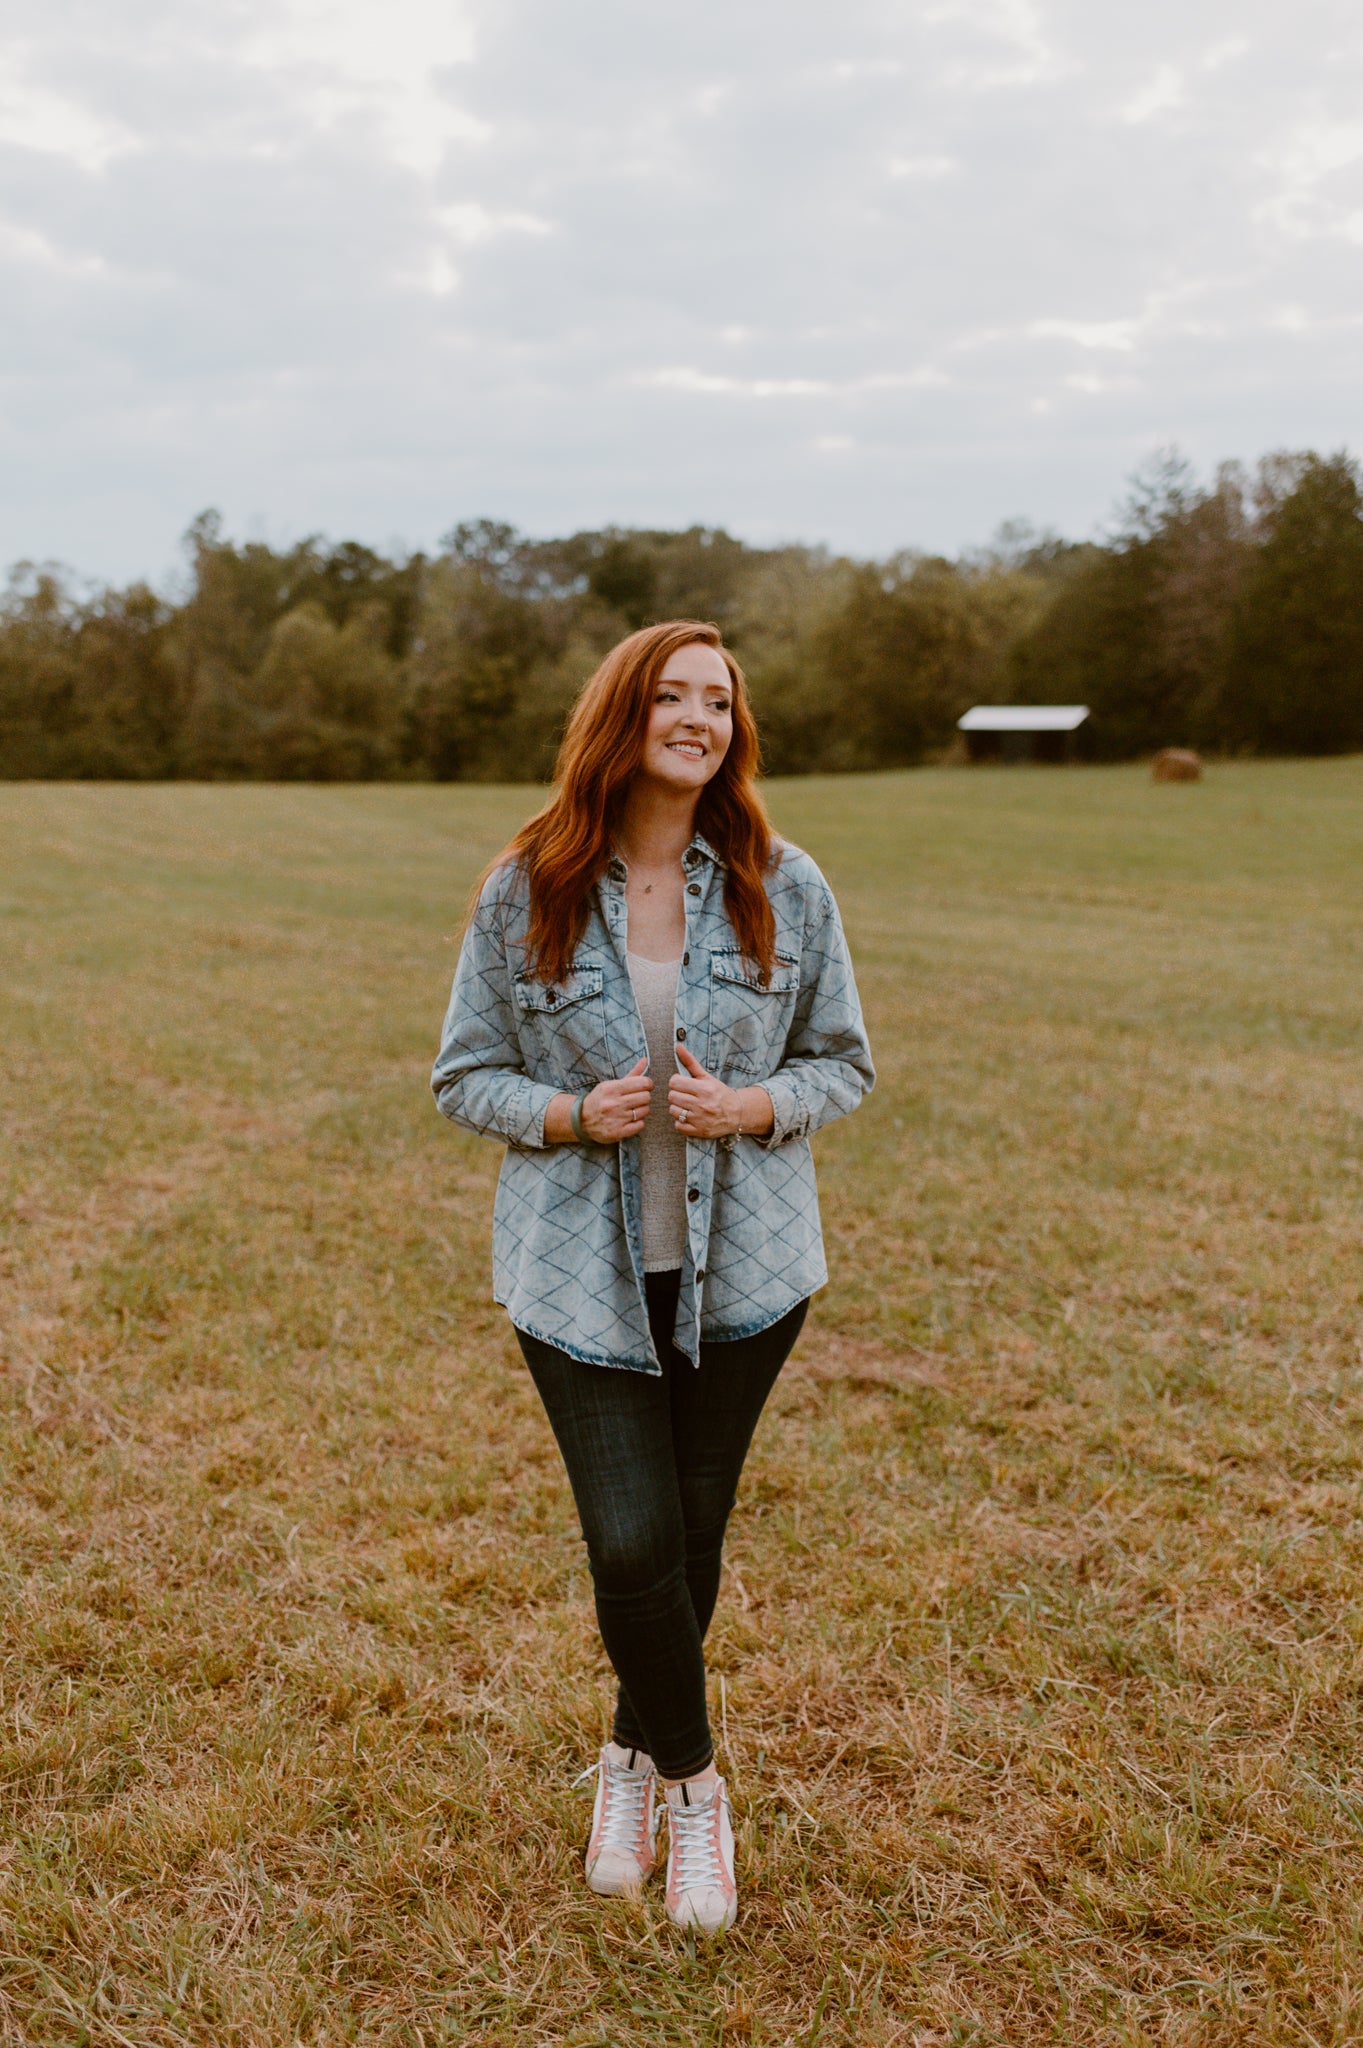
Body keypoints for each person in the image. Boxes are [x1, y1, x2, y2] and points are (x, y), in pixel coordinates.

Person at [431, 620, 873, 1933]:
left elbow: (846, 1061)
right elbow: (461, 1075)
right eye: (671, 696)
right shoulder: (530, 886)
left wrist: (755, 1107)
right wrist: (573, 1116)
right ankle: (695, 1789)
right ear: (621, 716)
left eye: (718, 702)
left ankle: (627, 1758)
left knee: (687, 1537)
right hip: (580, 1279)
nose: (697, 718)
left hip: (745, 1271)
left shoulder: (785, 885)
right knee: (630, 1537)